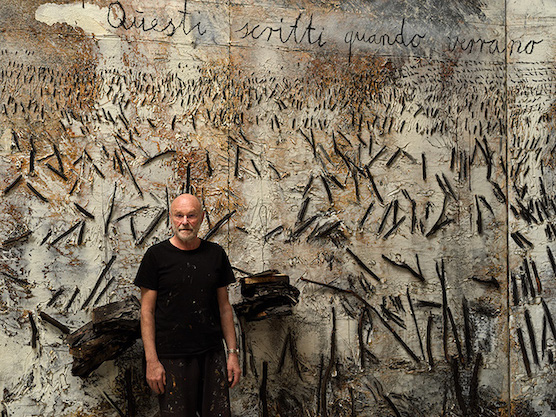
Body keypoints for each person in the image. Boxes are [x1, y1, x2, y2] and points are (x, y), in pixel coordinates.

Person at [134, 193, 241, 416]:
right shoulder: (156, 256)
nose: (185, 222)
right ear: (171, 219)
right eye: (179, 215)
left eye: (191, 216)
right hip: (171, 357)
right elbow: (147, 312)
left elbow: (224, 309)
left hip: (212, 354)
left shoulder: (216, 254)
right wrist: (151, 361)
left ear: (202, 218)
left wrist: (232, 354)